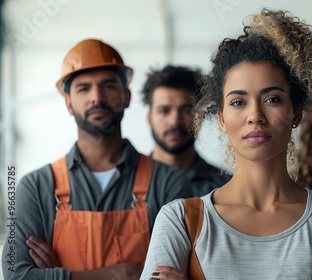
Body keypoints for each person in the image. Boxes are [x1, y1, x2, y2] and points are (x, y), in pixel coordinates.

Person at [140, 9, 312, 280]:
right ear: (221, 118)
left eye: (273, 99)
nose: (255, 115)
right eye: (238, 102)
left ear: (297, 113)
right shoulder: (179, 220)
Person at [1, 38, 193, 280]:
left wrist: (58, 274)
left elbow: (179, 273)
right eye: (83, 88)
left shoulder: (169, 182)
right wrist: (118, 273)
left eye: (108, 86)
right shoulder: (35, 187)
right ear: (69, 103)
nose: (97, 97)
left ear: (126, 96)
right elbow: (16, 276)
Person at [141, 65, 231, 196]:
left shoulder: (226, 188)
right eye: (164, 111)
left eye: (187, 110)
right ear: (149, 118)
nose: (174, 121)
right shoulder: (126, 182)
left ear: (199, 117)